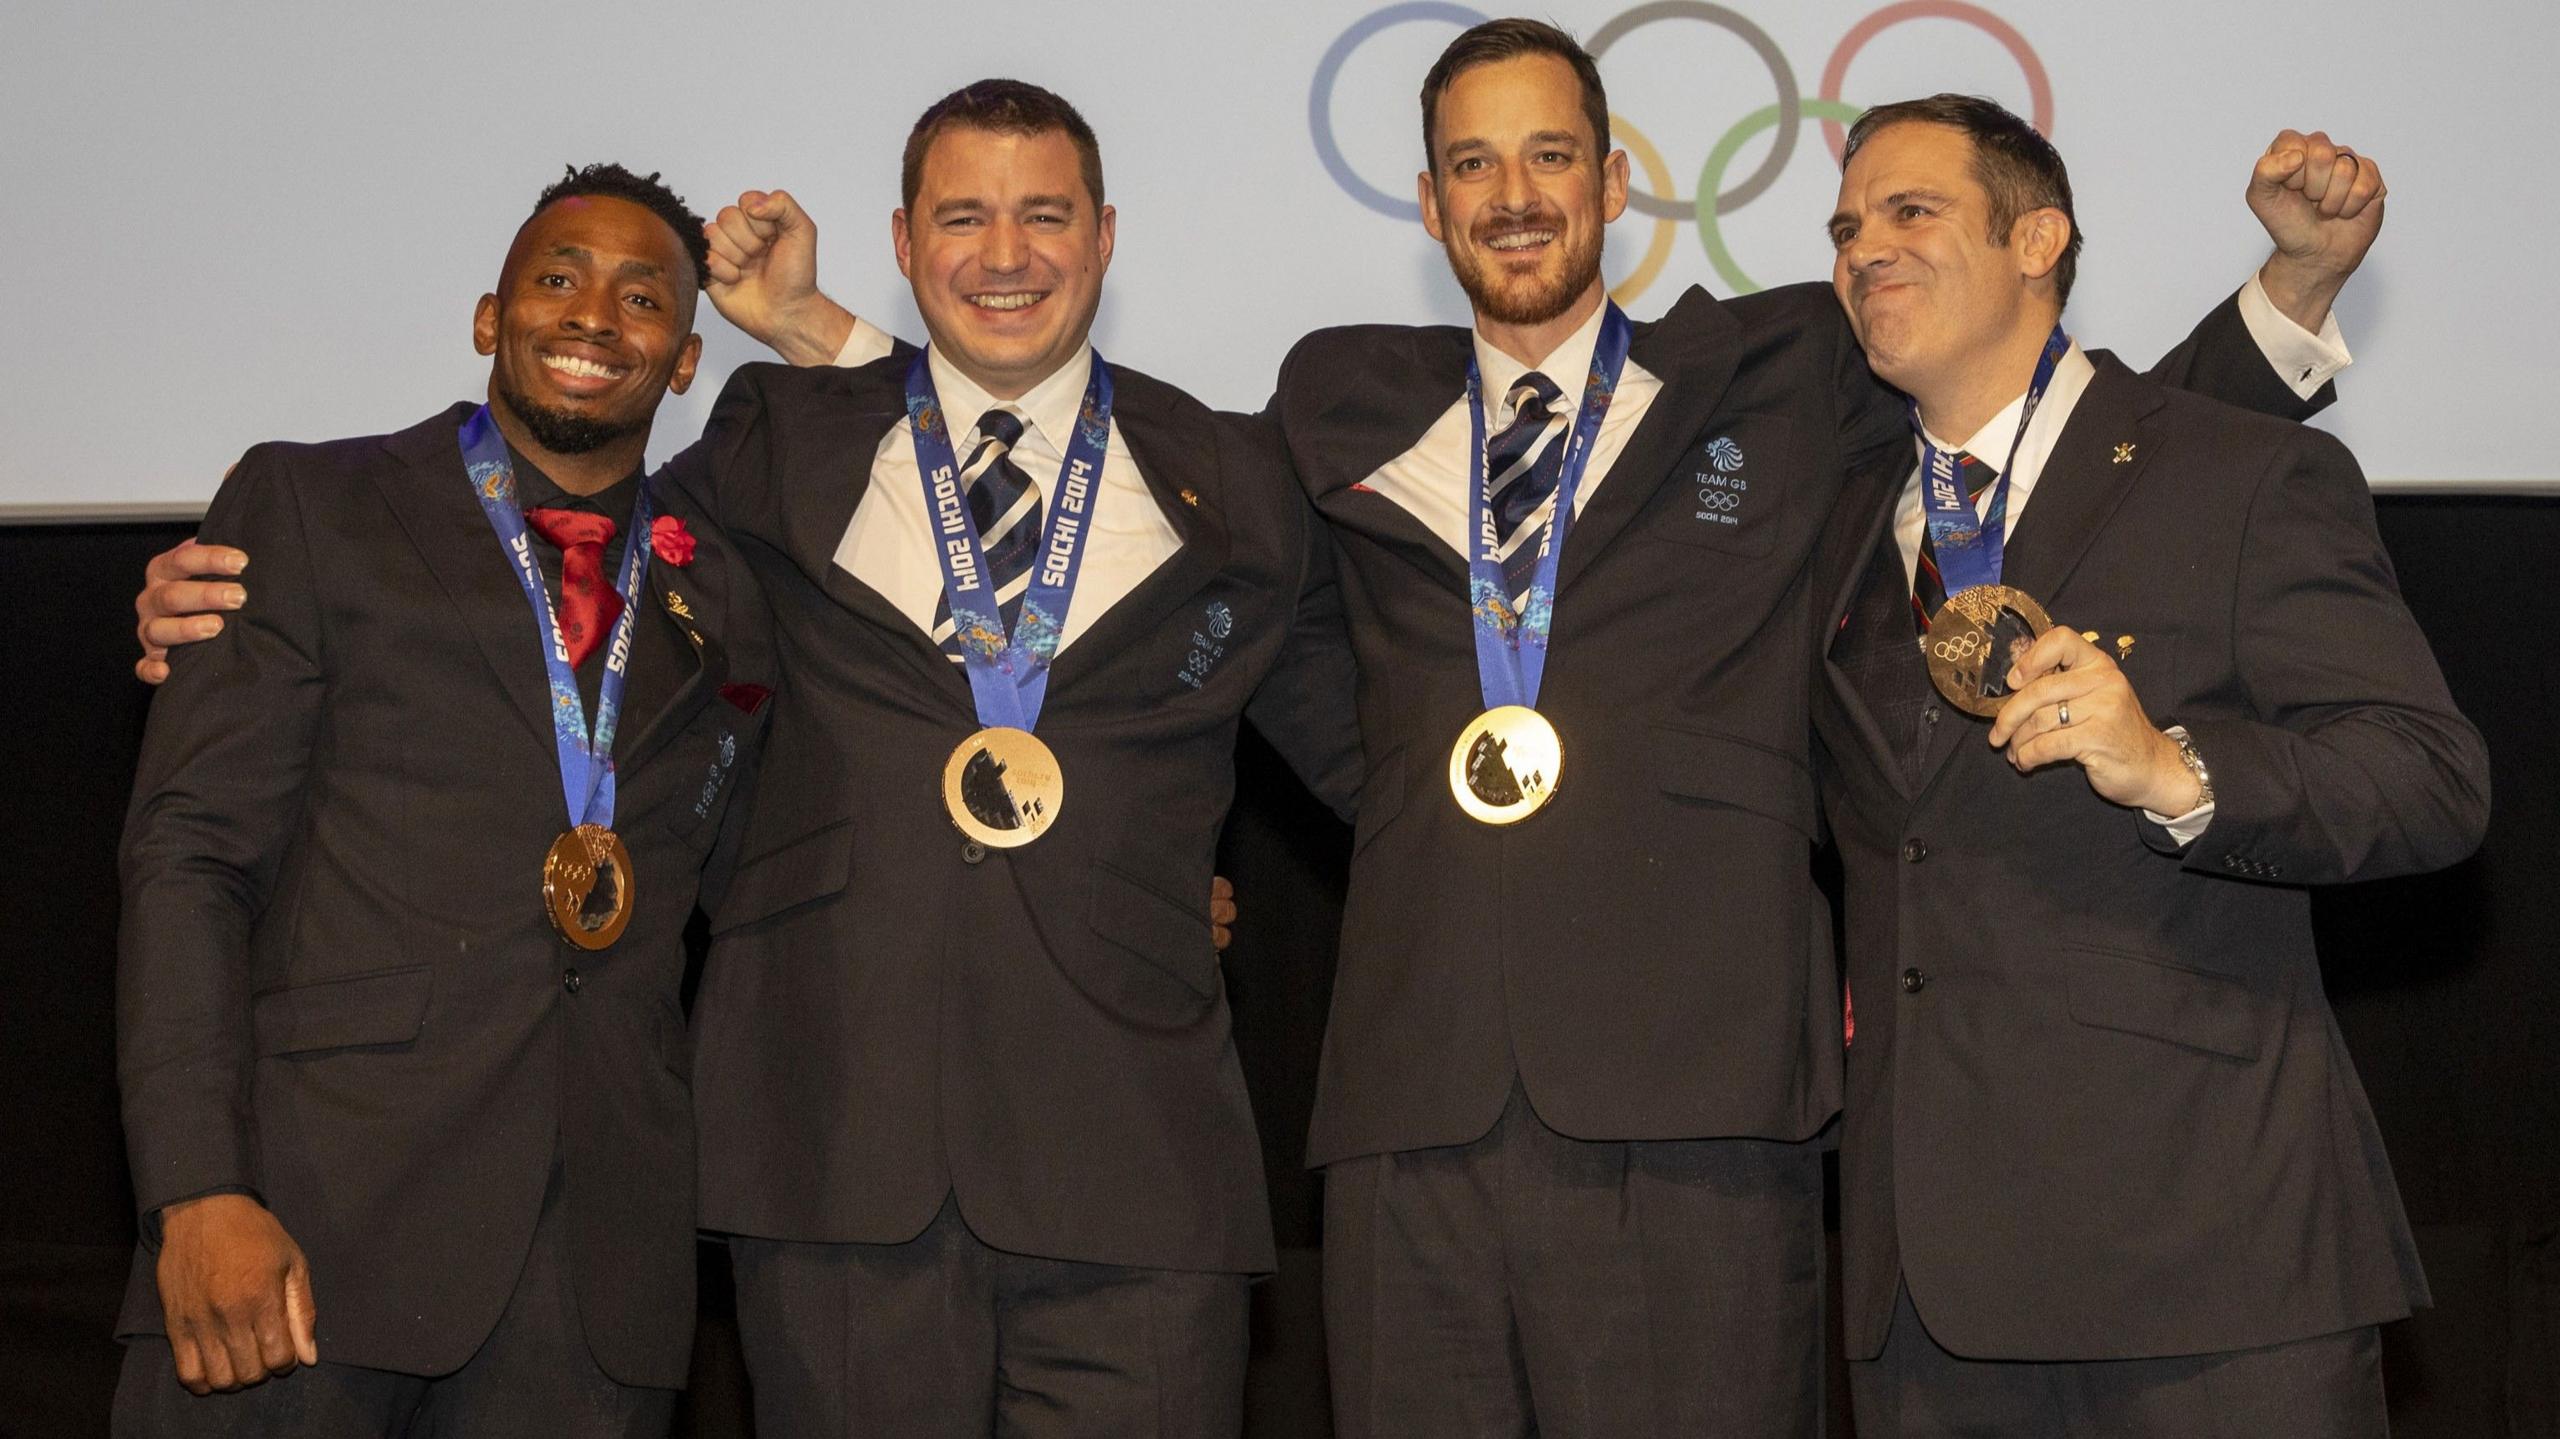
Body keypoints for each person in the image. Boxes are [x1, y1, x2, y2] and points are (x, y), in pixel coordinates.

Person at [1815, 94, 2487, 1434]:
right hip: (1929, 1296)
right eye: (1843, 227)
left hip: (2209, 1265)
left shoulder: (2238, 472)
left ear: (2037, 237)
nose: (1862, 248)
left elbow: (2430, 777)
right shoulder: (1834, 517)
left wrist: (2178, 767)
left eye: (1909, 211)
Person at [114, 164, 773, 1437]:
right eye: (558, 279)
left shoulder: (726, 598)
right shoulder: (314, 505)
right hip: (304, 1232)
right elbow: (190, 858)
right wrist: (196, 1189)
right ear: (489, 316)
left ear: (686, 359)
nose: (594, 316)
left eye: (642, 298)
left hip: (593, 1284)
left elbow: (789, 860)